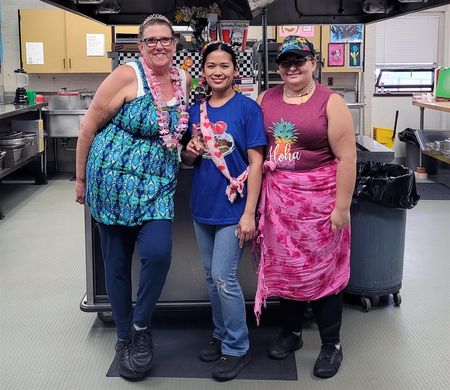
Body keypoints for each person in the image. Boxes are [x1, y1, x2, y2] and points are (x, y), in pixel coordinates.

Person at [75, 14, 191, 380]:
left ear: (175, 44)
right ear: (141, 46)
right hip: (113, 181)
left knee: (158, 254)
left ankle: (141, 326)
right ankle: (124, 337)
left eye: (166, 40)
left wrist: (191, 149)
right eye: (151, 40)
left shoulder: (182, 78)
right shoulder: (128, 75)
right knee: (117, 263)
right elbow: (89, 125)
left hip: (157, 182)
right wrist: (80, 179)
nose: (159, 46)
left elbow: (176, 132)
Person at [254, 35, 356, 379]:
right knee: (288, 270)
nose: (292, 67)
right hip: (280, 204)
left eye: (300, 60)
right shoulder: (265, 98)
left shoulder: (331, 102)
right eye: (286, 62)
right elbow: (253, 146)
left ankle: (331, 344)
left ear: (314, 63)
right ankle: (292, 333)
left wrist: (341, 207)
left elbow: (347, 157)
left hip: (321, 202)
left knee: (324, 273)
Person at [181, 41, 267, 381]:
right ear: (203, 73)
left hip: (234, 209)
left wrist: (250, 213)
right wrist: (189, 150)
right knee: (210, 277)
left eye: (225, 66)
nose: (218, 71)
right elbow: (188, 159)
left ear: (235, 71)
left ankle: (237, 346)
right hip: (202, 206)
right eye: (212, 66)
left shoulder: (247, 109)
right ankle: (220, 333)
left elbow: (257, 163)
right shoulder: (195, 110)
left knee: (224, 278)